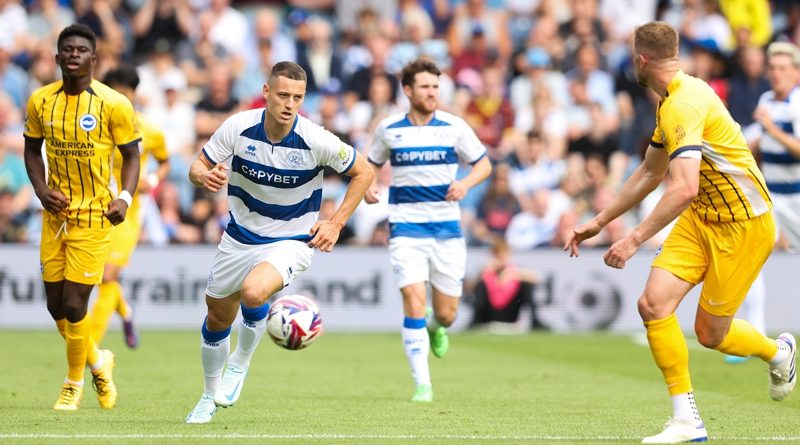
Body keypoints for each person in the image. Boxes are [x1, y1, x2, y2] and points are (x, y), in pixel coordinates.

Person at [564, 22, 796, 443]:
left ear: (641, 60)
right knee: (653, 304)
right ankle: (687, 421)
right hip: (703, 215)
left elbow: (683, 186)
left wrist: (633, 239)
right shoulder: (675, 98)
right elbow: (651, 171)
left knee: (711, 335)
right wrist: (600, 221)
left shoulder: (683, 104)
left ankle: (779, 353)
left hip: (744, 223)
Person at [184, 61, 373, 424]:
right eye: (283, 95)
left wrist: (335, 223)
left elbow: (364, 171)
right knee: (216, 315)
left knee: (254, 293)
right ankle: (209, 395)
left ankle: (240, 362)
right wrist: (203, 177)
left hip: (292, 239)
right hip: (239, 237)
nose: (290, 104)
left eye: (298, 97)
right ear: (267, 92)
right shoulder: (238, 127)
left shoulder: (316, 138)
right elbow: (197, 167)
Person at [23, 24, 141, 411]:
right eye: (67, 49)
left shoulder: (114, 104)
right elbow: (30, 151)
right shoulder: (40, 101)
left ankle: (73, 384)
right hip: (54, 215)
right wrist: (41, 191)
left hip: (94, 215)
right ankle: (98, 360)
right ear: (57, 58)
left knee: (75, 305)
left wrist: (124, 196)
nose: (74, 55)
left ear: (95, 59)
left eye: (81, 50)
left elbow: (132, 156)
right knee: (56, 307)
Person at [365, 58, 492, 403]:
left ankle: (437, 328)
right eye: (425, 86)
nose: (432, 92)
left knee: (447, 314)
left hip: (446, 230)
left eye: (436, 86)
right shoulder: (389, 129)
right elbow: (368, 167)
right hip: (405, 228)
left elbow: (484, 164)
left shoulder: (454, 127)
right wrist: (368, 186)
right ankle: (423, 384)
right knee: (413, 301)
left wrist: (465, 184)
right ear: (408, 90)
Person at [89, 64, 171, 350]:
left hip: (131, 212)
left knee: (107, 275)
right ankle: (125, 312)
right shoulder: (94, 126)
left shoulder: (148, 130)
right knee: (100, 275)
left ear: (134, 95)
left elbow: (165, 163)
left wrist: (151, 180)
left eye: (125, 94)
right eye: (115, 93)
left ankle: (91, 344)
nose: (120, 100)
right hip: (95, 209)